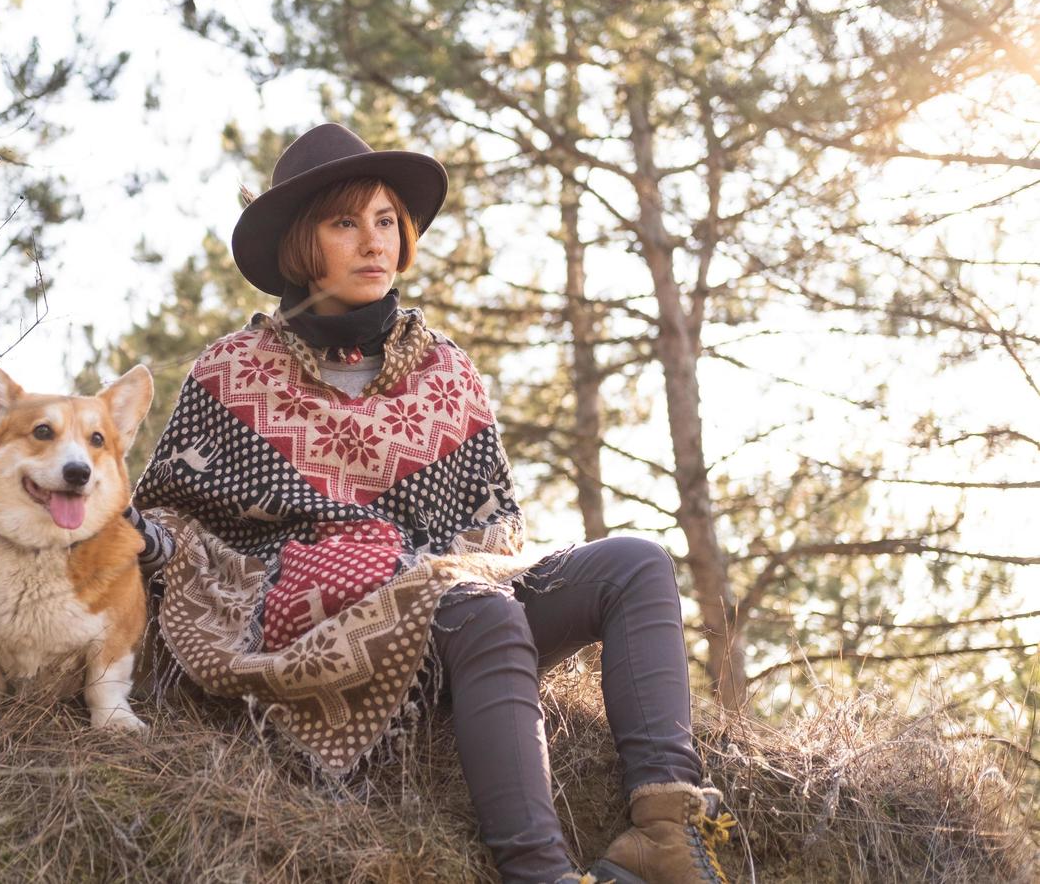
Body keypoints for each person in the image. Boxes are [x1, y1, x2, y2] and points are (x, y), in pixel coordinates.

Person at [123, 123, 738, 884]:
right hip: (320, 631)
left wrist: (435, 568)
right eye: (345, 222)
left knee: (635, 564)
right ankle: (539, 874)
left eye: (386, 221)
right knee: (476, 604)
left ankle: (667, 828)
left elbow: (493, 531)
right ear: (299, 244)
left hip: (456, 615)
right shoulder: (234, 372)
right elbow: (175, 523)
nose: (373, 241)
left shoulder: (444, 369)